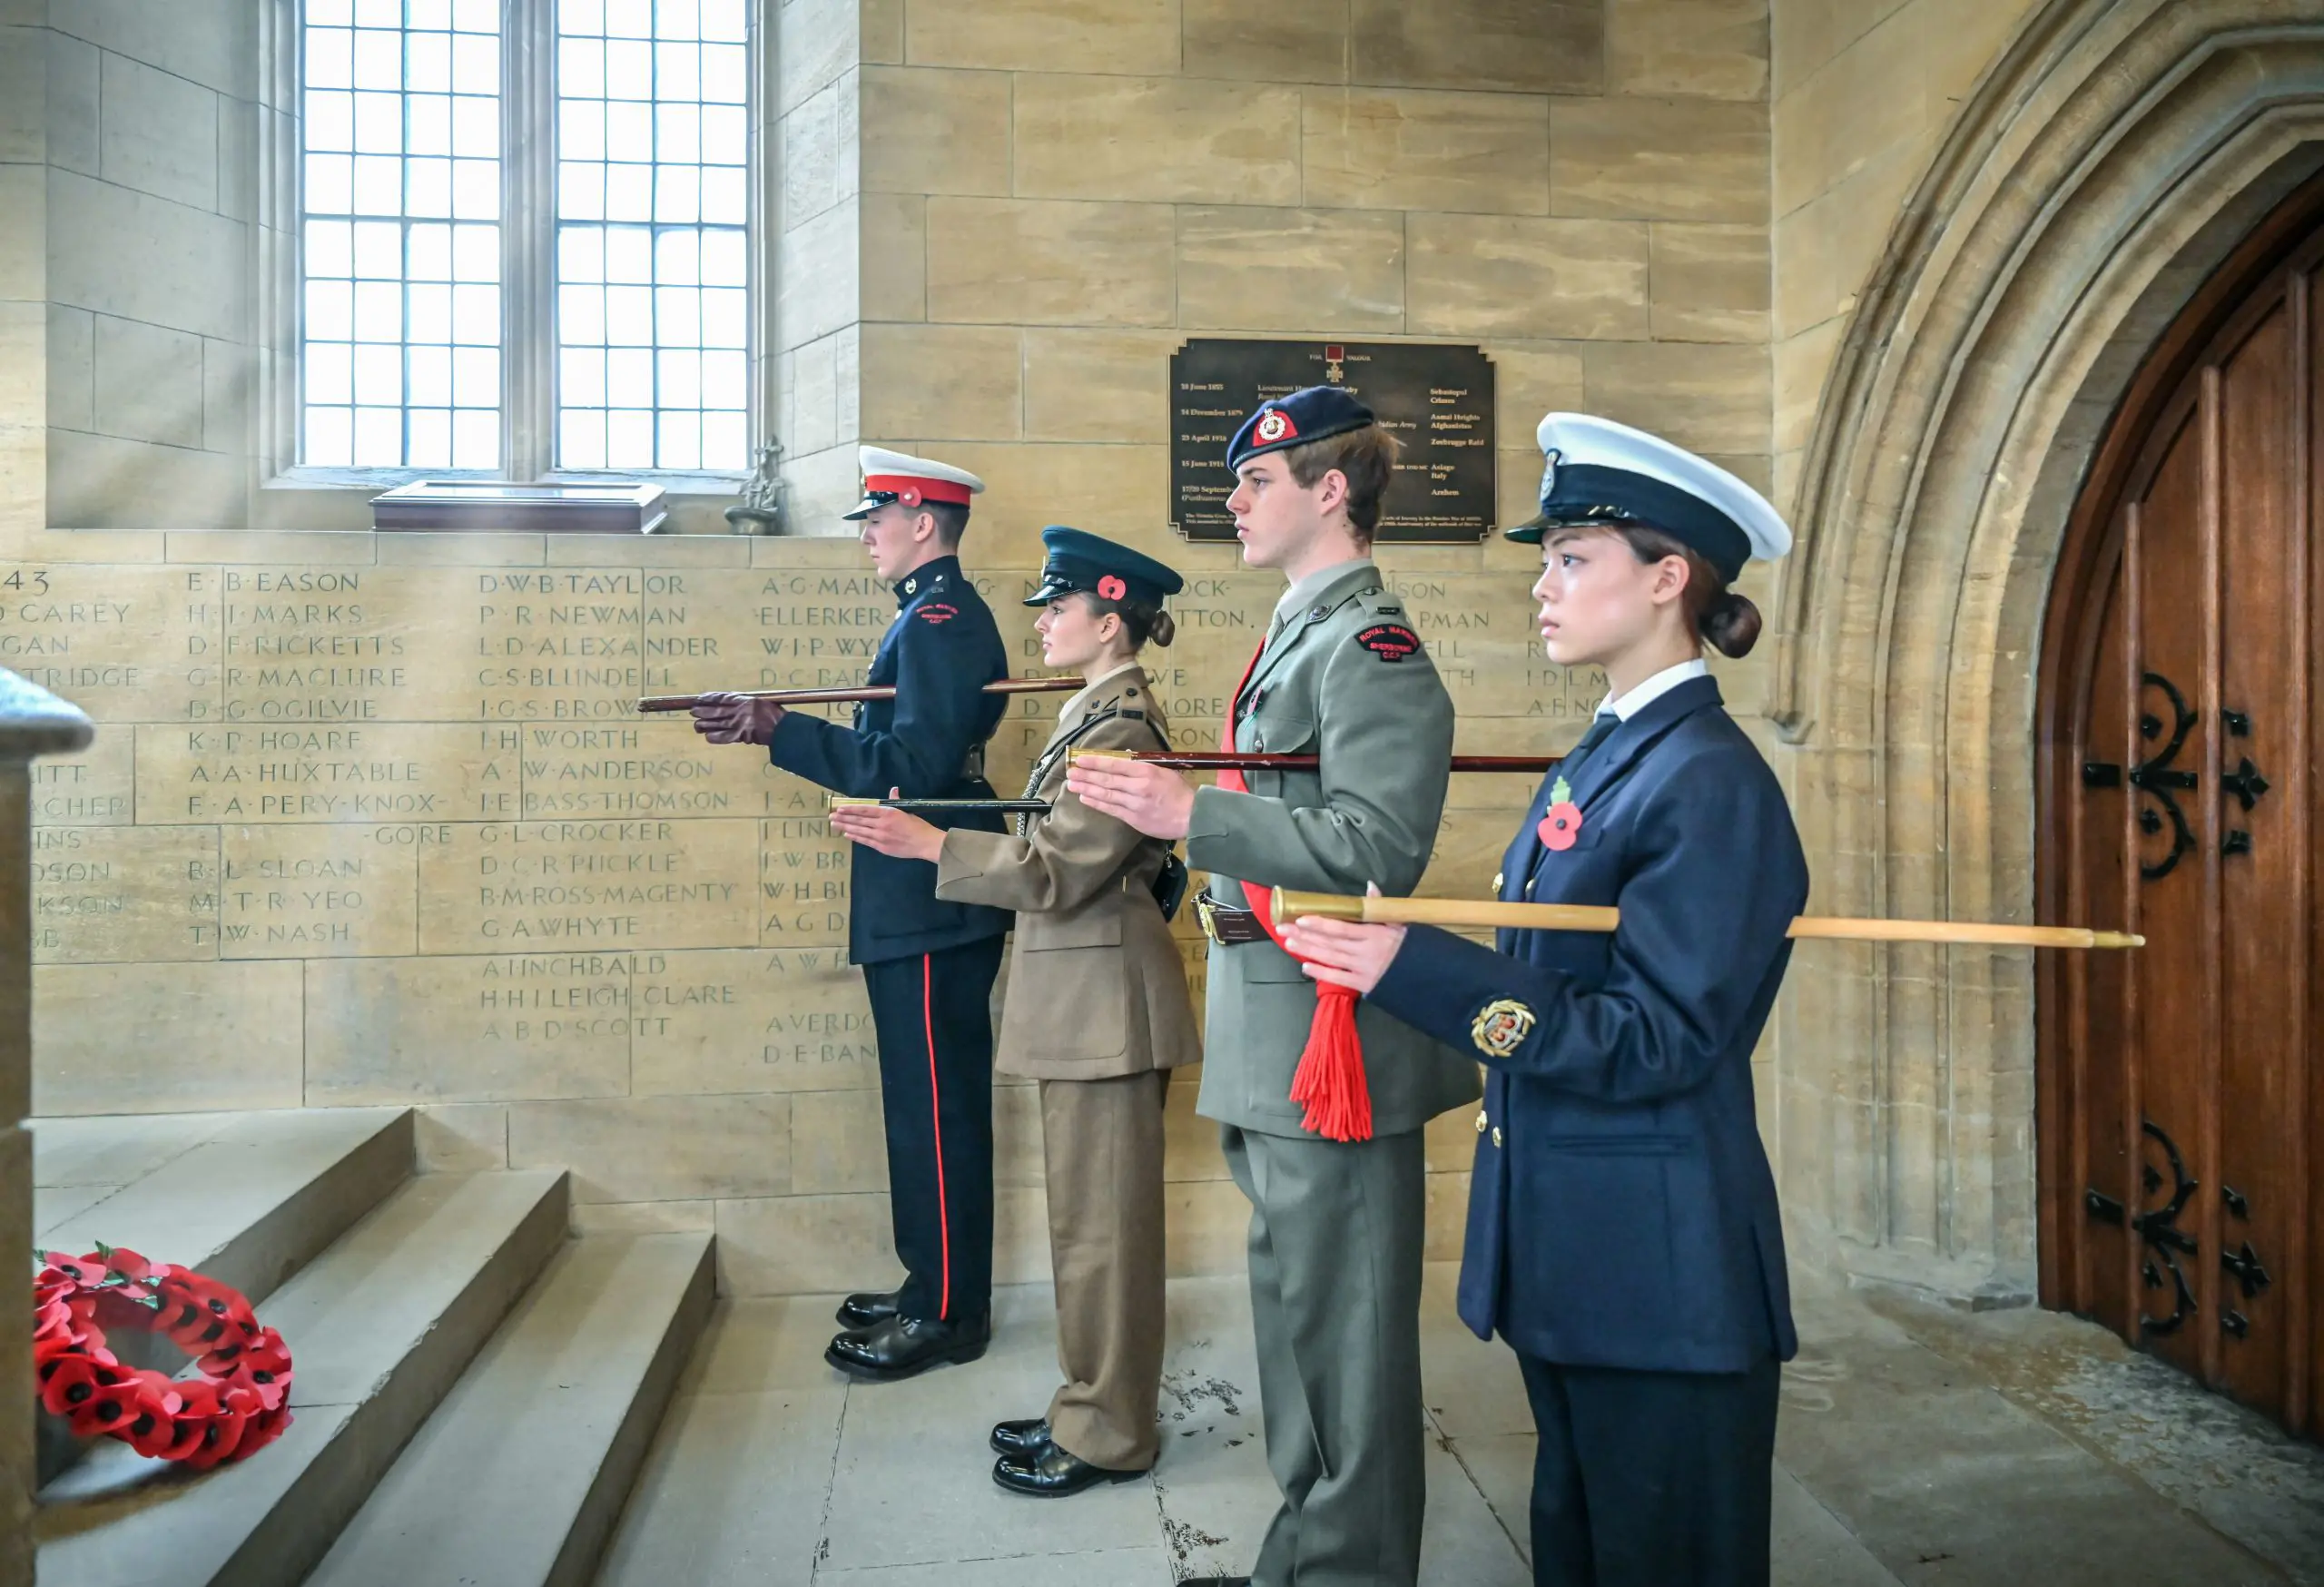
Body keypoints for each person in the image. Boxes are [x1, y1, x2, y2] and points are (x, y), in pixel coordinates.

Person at [1278, 413, 1809, 1587]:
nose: (1543, 584)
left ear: (1669, 578)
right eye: (1547, 557)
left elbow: (1660, 1039)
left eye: (1575, 557)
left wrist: (1417, 971)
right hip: (1584, 1260)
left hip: (1659, 1278)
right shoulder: (1613, 751)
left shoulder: (1711, 785)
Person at [1068, 388, 1481, 1587]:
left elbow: (1375, 847)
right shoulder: (1306, 626)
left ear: (1329, 490)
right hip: (1276, 1019)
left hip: (1329, 1035)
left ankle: (1349, 1570)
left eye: (1256, 482)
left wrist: (1198, 815)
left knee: (1345, 1334)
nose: (1233, 503)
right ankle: (1303, 1555)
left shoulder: (1371, 644)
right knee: (1297, 1318)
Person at [831, 527, 1203, 1499]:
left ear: (1109, 620)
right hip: (1085, 1000)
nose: (1041, 621)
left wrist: (930, 843)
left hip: (1106, 1003)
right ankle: (1088, 1403)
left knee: (1105, 1235)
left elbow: (1056, 870)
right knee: (1086, 1227)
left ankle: (1111, 1428)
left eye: (1059, 606)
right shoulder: (1094, 714)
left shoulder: (1121, 725)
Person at [692, 445, 1012, 1383]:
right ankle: (930, 1285)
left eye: (879, 517)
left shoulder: (942, 621)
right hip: (916, 901)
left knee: (939, 1113)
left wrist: (776, 727)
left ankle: (951, 1310)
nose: (867, 533)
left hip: (932, 901)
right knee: (919, 1109)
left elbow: (907, 765)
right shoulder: (922, 617)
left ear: (924, 521)